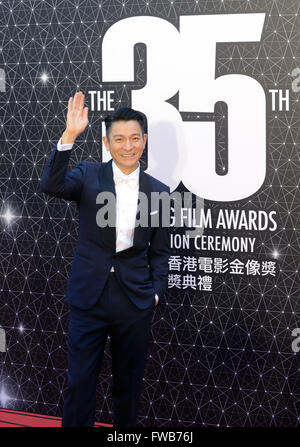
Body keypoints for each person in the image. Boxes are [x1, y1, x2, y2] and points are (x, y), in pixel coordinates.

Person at [39, 91, 170, 427]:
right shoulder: (87, 175)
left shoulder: (159, 191)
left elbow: (160, 251)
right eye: (119, 139)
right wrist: (69, 135)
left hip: (135, 301)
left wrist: (154, 293)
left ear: (144, 140)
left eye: (135, 138)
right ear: (107, 142)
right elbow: (50, 185)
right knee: (79, 384)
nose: (128, 146)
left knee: (128, 388)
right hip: (89, 298)